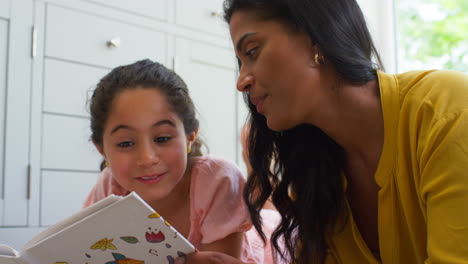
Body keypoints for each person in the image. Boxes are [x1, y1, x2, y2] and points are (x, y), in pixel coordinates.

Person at [180, 0, 468, 263]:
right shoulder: (316, 175)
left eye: (253, 51)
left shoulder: (445, 108)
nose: (241, 81)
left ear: (316, 38)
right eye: (241, 62)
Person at [82, 59, 280, 264]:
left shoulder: (218, 178)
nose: (147, 158)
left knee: (271, 217)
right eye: (125, 143)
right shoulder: (109, 185)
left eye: (162, 139)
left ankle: (260, 169)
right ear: (101, 149)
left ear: (190, 136)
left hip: (265, 245)